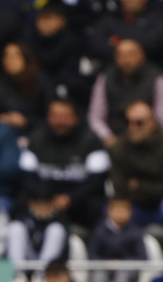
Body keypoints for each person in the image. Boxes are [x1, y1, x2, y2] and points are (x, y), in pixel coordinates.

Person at [21, 96, 111, 229]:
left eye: (65, 116)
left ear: (76, 117)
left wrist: (70, 199)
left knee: (96, 205)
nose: (59, 121)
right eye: (55, 115)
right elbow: (27, 177)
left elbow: (96, 180)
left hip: (79, 199)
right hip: (44, 196)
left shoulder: (91, 140)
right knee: (20, 203)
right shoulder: (36, 139)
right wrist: (45, 198)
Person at [109, 99, 163, 251]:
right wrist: (152, 188)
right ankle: (123, 260)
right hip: (135, 207)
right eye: (128, 122)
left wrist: (139, 186)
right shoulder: (120, 146)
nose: (133, 127)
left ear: (152, 123)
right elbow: (120, 187)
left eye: (139, 123)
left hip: (161, 207)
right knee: (111, 209)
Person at [89, 37, 163, 144]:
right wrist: (108, 137)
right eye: (121, 55)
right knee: (96, 160)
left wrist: (144, 137)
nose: (126, 59)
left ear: (141, 55)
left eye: (130, 54)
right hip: (114, 141)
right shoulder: (105, 78)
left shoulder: (157, 78)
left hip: (149, 142)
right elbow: (95, 117)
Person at [86, 0, 163, 68]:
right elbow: (95, 46)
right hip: (112, 74)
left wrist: (117, 42)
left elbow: (155, 44)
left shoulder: (159, 17)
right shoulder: (109, 18)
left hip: (152, 74)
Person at [88, 196, 148, 282]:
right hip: (103, 268)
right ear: (109, 212)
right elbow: (92, 254)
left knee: (123, 274)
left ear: (130, 213)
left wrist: (122, 264)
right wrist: (105, 264)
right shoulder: (99, 232)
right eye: (117, 210)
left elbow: (142, 257)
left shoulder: (135, 232)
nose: (120, 214)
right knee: (99, 275)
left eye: (123, 210)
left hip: (127, 270)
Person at [0, 40, 48, 130]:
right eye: (6, 56)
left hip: (35, 131)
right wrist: (0, 119)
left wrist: (26, 121)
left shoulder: (40, 82)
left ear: (26, 58)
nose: (9, 60)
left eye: (15, 56)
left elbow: (48, 116)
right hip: (3, 131)